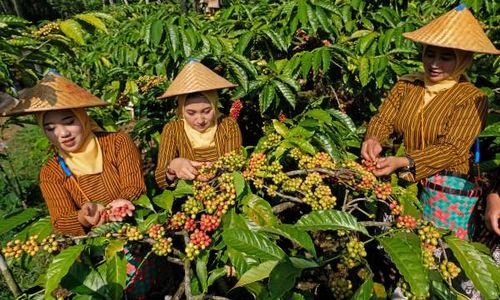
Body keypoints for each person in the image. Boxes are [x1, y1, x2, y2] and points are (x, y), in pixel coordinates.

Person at [4, 73, 155, 299]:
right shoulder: (52, 172)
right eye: (50, 128)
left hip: (139, 237)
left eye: (69, 122)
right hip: (98, 251)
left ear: (82, 117)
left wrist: (123, 201)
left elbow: (134, 186)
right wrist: (83, 218)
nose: (62, 134)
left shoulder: (117, 143)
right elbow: (61, 219)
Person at [361, 4, 498, 240]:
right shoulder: (407, 85)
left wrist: (405, 161)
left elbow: (453, 148)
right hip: (399, 184)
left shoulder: (472, 98)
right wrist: (373, 139)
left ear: (464, 60)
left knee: (434, 254)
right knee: (394, 246)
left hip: (442, 193)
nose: (434, 64)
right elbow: (384, 119)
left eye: (446, 58)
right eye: (429, 54)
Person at [155, 60, 242, 189]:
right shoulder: (172, 130)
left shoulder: (227, 125)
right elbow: (160, 179)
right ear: (181, 111)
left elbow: (236, 164)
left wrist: (217, 169)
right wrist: (172, 168)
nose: (200, 120)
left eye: (207, 111)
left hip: (225, 193)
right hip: (189, 199)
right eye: (191, 113)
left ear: (215, 105)